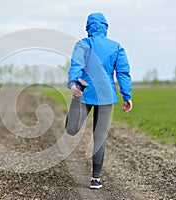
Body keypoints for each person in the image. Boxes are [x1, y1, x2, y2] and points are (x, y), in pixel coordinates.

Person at [65, 12, 133, 189]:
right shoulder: (116, 47)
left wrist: (73, 83)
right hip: (106, 95)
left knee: (72, 129)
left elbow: (76, 65)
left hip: (85, 91)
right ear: (106, 27)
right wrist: (127, 96)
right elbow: (123, 73)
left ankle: (77, 92)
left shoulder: (83, 44)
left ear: (88, 27)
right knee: (99, 138)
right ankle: (96, 178)